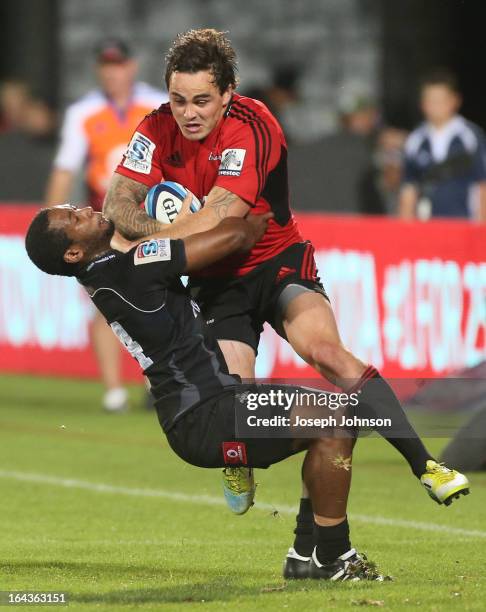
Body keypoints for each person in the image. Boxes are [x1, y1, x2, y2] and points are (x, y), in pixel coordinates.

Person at [102, 29, 469, 574]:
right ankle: (284, 521)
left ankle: (426, 465)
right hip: (215, 282)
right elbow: (116, 203)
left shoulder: (254, 127)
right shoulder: (154, 128)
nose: (188, 113)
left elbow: (221, 220)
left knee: (326, 353)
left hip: (275, 262)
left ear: (228, 92)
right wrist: (167, 229)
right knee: (233, 395)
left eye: (202, 100)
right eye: (179, 100)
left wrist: (158, 235)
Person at [45, 39, 167, 411]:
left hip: (150, 215)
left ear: (131, 66)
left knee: (159, 295)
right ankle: (114, 391)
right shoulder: (84, 112)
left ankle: (156, 383)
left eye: (118, 65)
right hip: (103, 221)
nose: (112, 72)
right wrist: (52, 225)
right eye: (106, 65)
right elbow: (65, 169)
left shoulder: (156, 103)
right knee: (105, 301)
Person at [398, 70, 486, 221]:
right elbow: (409, 188)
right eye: (431, 101)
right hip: (426, 226)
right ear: (423, 104)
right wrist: (405, 230)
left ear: (455, 100)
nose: (436, 106)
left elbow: (482, 185)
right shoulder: (416, 140)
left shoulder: (469, 137)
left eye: (441, 100)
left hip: (464, 225)